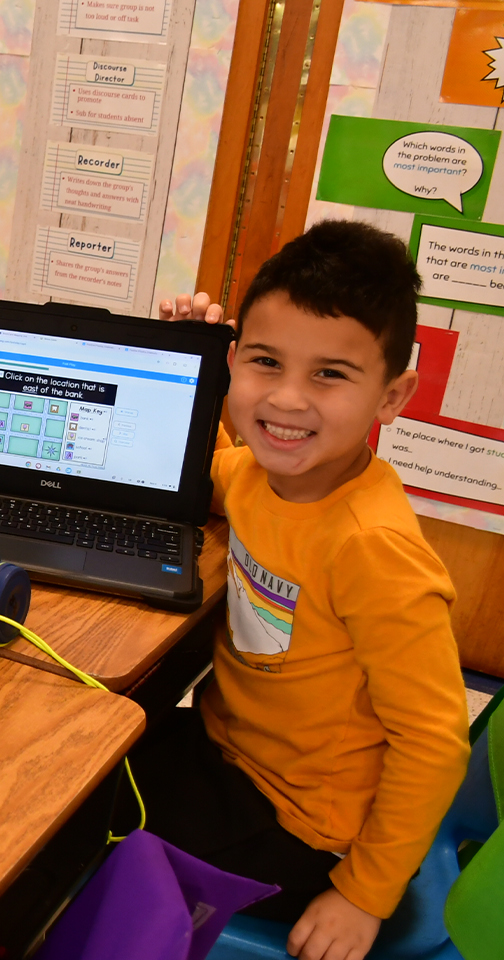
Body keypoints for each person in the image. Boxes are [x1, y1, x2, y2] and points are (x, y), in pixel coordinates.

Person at [148, 220, 470, 960]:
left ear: (392, 397)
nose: (287, 400)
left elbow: (432, 743)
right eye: (265, 362)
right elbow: (209, 474)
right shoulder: (262, 475)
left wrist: (363, 894)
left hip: (304, 822)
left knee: (59, 826)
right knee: (82, 754)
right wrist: (190, 365)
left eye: (330, 374)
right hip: (229, 749)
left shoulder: (373, 549)